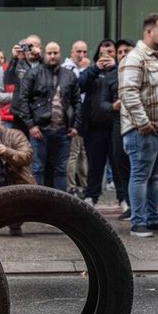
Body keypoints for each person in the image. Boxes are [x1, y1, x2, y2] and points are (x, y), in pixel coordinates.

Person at [118, 14, 158, 238]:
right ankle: (139, 222)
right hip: (145, 130)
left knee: (156, 176)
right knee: (141, 175)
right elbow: (128, 92)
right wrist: (142, 123)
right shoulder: (135, 57)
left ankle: (153, 218)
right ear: (149, 32)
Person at [18, 41, 82, 192]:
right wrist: (31, 125)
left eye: (55, 53)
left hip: (63, 131)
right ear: (44, 54)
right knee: (38, 168)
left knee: (61, 170)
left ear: (61, 54)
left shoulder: (70, 75)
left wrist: (76, 126)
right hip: (40, 131)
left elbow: (77, 101)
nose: (52, 56)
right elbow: (23, 100)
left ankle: (61, 205)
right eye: (49, 53)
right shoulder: (33, 73)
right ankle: (37, 203)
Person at [77, 39, 117, 206]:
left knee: (119, 166)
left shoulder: (121, 70)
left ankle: (123, 199)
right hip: (94, 128)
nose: (106, 56)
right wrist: (95, 68)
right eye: (102, 53)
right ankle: (91, 196)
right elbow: (79, 85)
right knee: (94, 165)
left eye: (110, 53)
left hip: (116, 126)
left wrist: (115, 67)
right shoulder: (92, 71)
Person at [103, 39, 136, 220]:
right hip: (118, 124)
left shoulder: (141, 70)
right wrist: (112, 106)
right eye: (120, 52)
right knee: (121, 166)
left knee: (139, 168)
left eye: (127, 51)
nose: (123, 54)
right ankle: (129, 204)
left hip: (138, 123)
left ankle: (143, 207)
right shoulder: (110, 77)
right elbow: (102, 103)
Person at [62, 40, 90, 199]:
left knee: (82, 153)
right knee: (74, 153)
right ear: (72, 52)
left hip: (85, 116)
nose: (82, 55)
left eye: (85, 52)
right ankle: (72, 186)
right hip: (73, 117)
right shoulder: (68, 69)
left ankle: (83, 185)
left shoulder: (86, 68)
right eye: (78, 51)